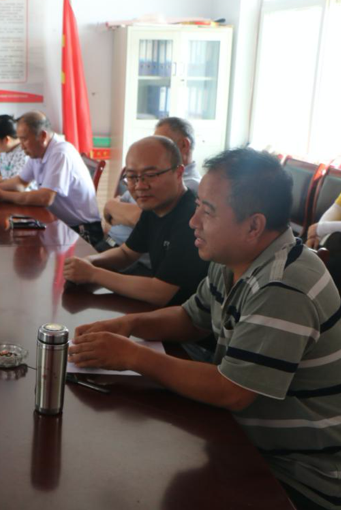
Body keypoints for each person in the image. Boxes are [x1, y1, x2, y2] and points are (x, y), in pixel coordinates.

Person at [68, 148, 341, 510]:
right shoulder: (233, 259)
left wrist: (132, 355)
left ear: (254, 226)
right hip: (240, 440)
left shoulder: (283, 286)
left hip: (293, 476)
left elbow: (232, 390)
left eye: (207, 211)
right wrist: (129, 324)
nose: (193, 221)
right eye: (197, 206)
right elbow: (191, 318)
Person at [62, 136, 208, 306]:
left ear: (179, 173)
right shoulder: (154, 207)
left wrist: (93, 274)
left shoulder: (191, 219)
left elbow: (160, 292)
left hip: (184, 315)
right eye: (132, 177)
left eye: (150, 175)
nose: (139, 186)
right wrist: (91, 261)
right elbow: (126, 253)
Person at [0, 111, 102, 245]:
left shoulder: (60, 153)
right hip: (59, 224)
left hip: (81, 231)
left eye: (24, 139)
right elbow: (20, 182)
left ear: (42, 136)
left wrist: (1, 195)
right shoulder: (37, 151)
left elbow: (45, 198)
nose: (21, 146)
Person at [103, 117, 200, 252]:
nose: (140, 186)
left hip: (134, 258)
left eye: (162, 142)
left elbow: (145, 220)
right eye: (132, 176)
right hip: (111, 245)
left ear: (184, 145)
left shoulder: (190, 186)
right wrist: (114, 210)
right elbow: (111, 216)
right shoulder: (142, 178)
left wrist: (112, 206)